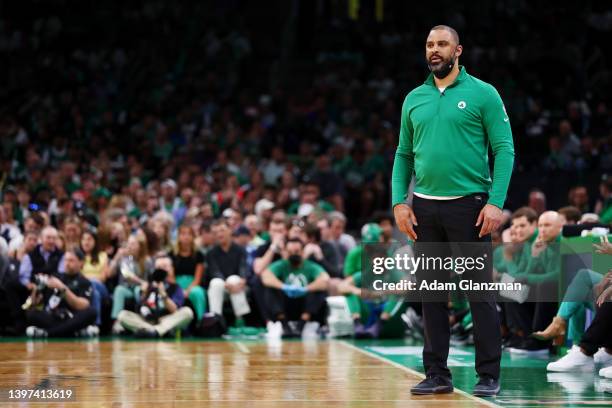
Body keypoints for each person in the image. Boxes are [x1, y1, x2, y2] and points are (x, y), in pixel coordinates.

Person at [392, 25, 514, 396]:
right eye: (429, 44)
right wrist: (400, 200)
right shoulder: (414, 98)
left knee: (478, 292)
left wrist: (496, 202)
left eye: (442, 44)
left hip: (471, 206)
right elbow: (403, 155)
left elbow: (504, 149)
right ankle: (437, 374)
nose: (434, 50)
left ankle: (488, 374)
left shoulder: (483, 93)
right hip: (425, 207)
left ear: (458, 50)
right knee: (431, 293)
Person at [261, 238, 330, 338]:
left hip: (304, 305)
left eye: (296, 251)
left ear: (302, 252)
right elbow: (265, 277)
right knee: (270, 290)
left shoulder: (310, 266)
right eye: (290, 252)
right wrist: (283, 286)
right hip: (285, 305)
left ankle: (301, 325)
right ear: (285, 252)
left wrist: (306, 288)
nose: (293, 254)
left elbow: (325, 280)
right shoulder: (281, 264)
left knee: (318, 291)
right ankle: (285, 326)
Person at [24, 248, 98, 337]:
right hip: (55, 316)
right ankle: (74, 332)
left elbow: (82, 305)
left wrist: (62, 287)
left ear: (81, 262)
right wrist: (37, 289)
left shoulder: (84, 282)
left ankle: (48, 333)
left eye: (71, 260)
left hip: (73, 316)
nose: (67, 263)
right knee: (31, 313)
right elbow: (35, 303)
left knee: (91, 312)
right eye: (66, 260)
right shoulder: (55, 277)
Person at [117, 255, 194, 337]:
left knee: (187, 312)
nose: (161, 270)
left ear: (171, 269)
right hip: (147, 321)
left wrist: (163, 294)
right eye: (158, 267)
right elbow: (140, 310)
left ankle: (153, 331)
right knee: (122, 315)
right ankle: (157, 331)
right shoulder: (148, 286)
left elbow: (174, 310)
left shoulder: (175, 288)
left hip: (166, 319)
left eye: (164, 267)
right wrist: (144, 294)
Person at [206, 219, 251, 325]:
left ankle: (240, 320)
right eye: (216, 232)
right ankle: (215, 320)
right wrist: (227, 284)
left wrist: (243, 280)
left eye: (222, 230)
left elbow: (243, 268)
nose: (219, 234)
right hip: (222, 286)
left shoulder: (240, 250)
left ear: (230, 230)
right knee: (216, 282)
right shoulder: (211, 253)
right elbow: (214, 272)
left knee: (234, 279)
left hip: (238, 286)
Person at [108, 234, 153, 332]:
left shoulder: (147, 261)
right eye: (128, 244)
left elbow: (152, 279)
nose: (129, 246)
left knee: (138, 290)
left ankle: (142, 318)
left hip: (141, 289)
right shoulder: (125, 259)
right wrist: (116, 257)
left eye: (133, 244)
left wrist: (145, 285)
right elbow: (120, 274)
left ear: (140, 246)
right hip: (127, 289)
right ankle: (117, 321)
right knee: (119, 290)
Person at [171, 225, 206, 321]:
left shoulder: (199, 255)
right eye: (183, 234)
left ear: (193, 237)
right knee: (173, 294)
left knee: (198, 293)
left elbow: (197, 278)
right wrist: (179, 290)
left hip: (193, 284)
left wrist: (188, 290)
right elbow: (171, 277)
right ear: (178, 236)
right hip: (176, 284)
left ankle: (201, 321)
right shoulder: (172, 254)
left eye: (189, 234)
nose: (186, 237)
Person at [80, 230, 109, 326]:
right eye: (83, 239)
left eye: (89, 239)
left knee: (93, 283)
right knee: (94, 294)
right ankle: (95, 325)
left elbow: (103, 278)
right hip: (84, 288)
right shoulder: (78, 257)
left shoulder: (103, 256)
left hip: (100, 287)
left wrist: (86, 279)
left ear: (95, 242)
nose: (86, 242)